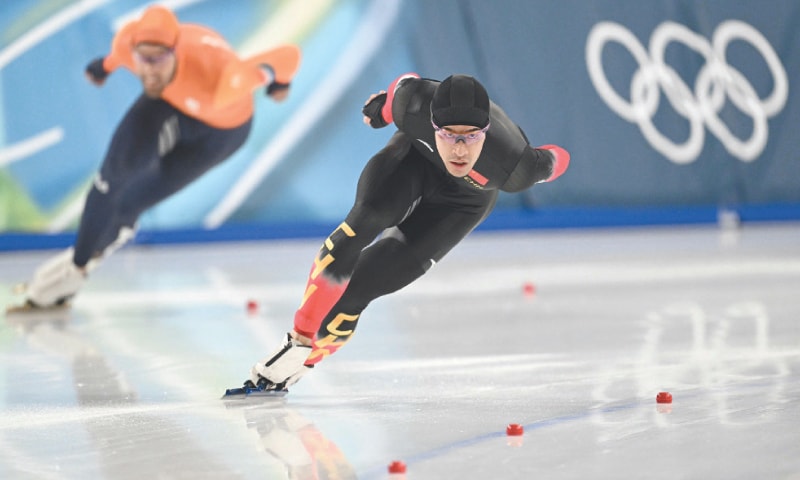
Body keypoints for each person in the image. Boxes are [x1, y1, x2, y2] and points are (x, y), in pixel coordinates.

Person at [242, 73, 570, 392]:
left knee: (360, 289)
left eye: (471, 136)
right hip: (412, 162)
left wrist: (539, 157)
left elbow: (558, 159)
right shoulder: (412, 103)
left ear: (485, 133)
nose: (459, 150)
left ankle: (298, 367)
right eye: (448, 134)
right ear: (432, 124)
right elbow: (396, 93)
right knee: (363, 223)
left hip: (461, 204)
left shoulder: (517, 167)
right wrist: (382, 110)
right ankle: (299, 342)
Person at [11, 5, 301, 311]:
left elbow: (288, 55)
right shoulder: (126, 44)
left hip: (220, 134)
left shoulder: (223, 75)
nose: (149, 70)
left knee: (133, 202)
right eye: (142, 59)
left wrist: (279, 84)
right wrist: (103, 68)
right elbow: (114, 59)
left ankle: (81, 266)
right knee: (109, 182)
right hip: (166, 104)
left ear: (176, 51)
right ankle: (76, 268)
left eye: (159, 59)